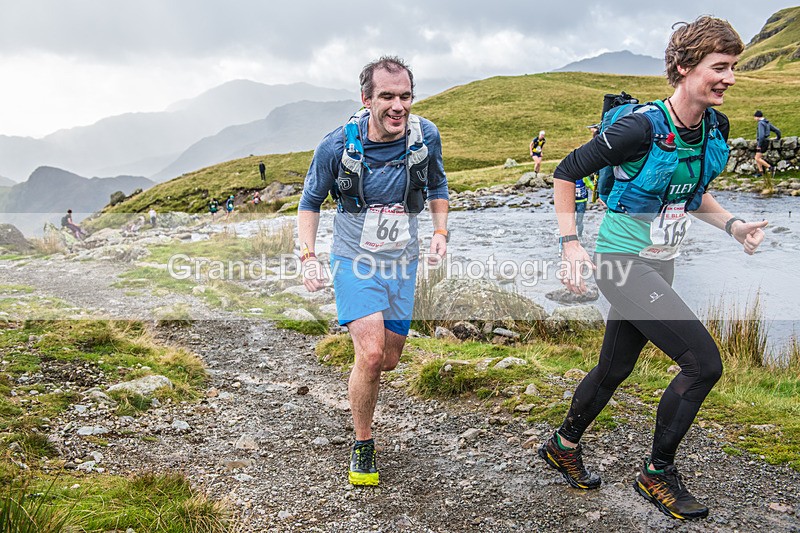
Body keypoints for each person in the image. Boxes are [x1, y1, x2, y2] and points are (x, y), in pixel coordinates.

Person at [539, 16, 768, 521]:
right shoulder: (637, 127)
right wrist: (571, 244)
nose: (729, 77)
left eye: (733, 67)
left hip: (660, 266)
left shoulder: (713, 126)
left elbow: (688, 195)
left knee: (615, 367)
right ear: (685, 68)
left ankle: (562, 444)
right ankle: (656, 473)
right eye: (719, 66)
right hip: (620, 265)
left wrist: (732, 226)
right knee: (703, 363)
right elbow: (565, 173)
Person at [297, 56, 449, 487]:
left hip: (404, 259)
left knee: (391, 359)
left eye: (405, 96)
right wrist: (308, 256)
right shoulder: (335, 147)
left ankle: (363, 377)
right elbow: (309, 203)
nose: (398, 106)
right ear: (366, 100)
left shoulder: (426, 136)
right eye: (387, 96)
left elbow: (437, 185)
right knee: (371, 354)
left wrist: (441, 231)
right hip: (353, 258)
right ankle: (363, 444)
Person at [753, 110, 781, 178]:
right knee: (758, 157)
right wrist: (778, 138)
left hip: (762, 142)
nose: (754, 119)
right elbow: (777, 130)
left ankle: (770, 168)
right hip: (766, 141)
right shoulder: (767, 122)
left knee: (757, 158)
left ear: (757, 117)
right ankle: (761, 172)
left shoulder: (761, 123)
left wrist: (759, 145)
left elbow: (761, 135)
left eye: (755, 117)